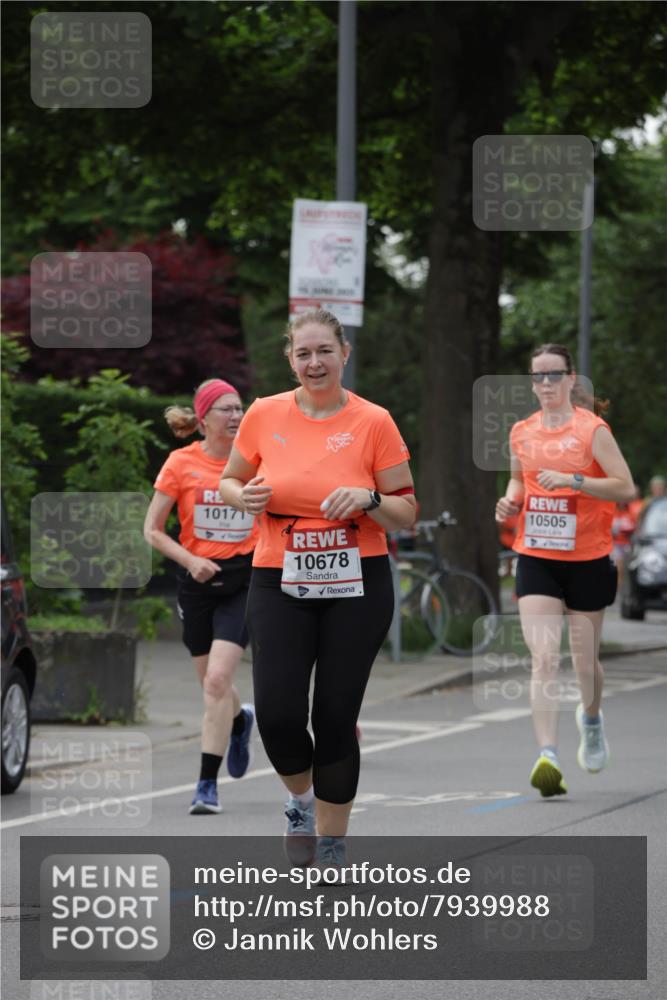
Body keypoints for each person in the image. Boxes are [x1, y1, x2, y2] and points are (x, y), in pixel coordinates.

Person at [219, 309, 416, 868]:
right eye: (303, 353)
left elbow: (406, 509)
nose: (314, 362)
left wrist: (370, 499)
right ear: (290, 359)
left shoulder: (374, 421)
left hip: (357, 581)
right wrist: (242, 498)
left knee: (334, 716)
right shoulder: (263, 414)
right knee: (280, 714)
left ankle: (331, 841)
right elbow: (230, 479)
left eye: (324, 351)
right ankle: (301, 802)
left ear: (343, 353)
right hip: (278, 576)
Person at [495, 344, 635, 798]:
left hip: (589, 558)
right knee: (543, 658)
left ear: (572, 379)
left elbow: (625, 486)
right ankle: (548, 755)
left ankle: (591, 720)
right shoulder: (521, 432)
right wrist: (510, 499)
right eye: (538, 376)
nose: (547, 384)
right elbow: (519, 478)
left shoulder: (592, 430)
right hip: (536, 554)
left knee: (585, 662)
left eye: (555, 375)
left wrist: (576, 481)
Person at [143, 379, 258, 814]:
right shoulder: (181, 463)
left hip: (243, 579)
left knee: (216, 681)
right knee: (213, 686)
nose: (235, 416)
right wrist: (190, 560)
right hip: (197, 581)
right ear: (203, 418)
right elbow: (152, 529)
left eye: (239, 408)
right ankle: (240, 720)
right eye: (225, 409)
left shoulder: (255, 462)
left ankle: (206, 786)